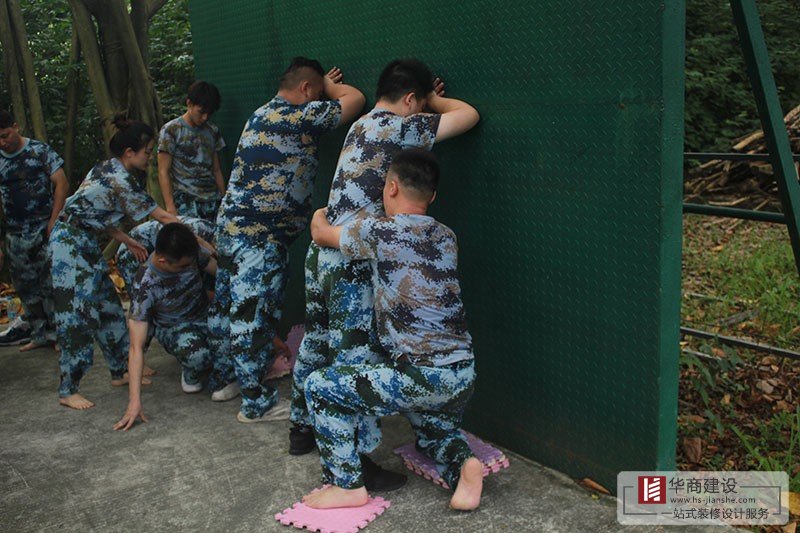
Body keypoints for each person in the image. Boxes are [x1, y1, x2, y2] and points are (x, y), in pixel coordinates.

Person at [289, 59, 479, 487]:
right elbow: (468, 115)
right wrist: (436, 101)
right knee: (357, 357)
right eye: (420, 104)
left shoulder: (359, 125)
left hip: (322, 256)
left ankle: (301, 429)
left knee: (316, 342)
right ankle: (357, 461)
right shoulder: (401, 128)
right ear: (410, 99)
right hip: (352, 260)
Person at [303, 149, 482, 510]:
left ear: (392, 188)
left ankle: (347, 485)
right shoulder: (447, 236)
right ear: (432, 196)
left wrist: (323, 211)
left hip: (420, 374)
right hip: (462, 374)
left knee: (320, 387)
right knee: (433, 429)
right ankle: (464, 465)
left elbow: (321, 234)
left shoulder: (379, 231)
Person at [208, 57, 365, 424]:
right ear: (307, 89)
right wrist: (331, 87)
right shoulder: (299, 116)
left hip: (232, 228)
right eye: (317, 92)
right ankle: (255, 404)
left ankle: (226, 380)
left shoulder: (262, 114)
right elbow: (355, 100)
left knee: (227, 307)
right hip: (259, 238)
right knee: (253, 316)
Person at [51, 116, 202, 410]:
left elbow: (92, 214)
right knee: (77, 316)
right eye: (147, 151)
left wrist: (126, 240)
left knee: (108, 306)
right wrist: (198, 238)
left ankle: (120, 370)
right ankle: (68, 389)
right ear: (129, 153)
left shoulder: (107, 168)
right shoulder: (121, 180)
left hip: (84, 241)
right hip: (69, 246)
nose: (150, 157)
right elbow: (163, 217)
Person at [114, 223, 219, 431]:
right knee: (199, 356)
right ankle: (191, 370)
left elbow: (221, 273)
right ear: (162, 261)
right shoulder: (145, 285)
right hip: (176, 327)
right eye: (182, 267)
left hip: (205, 314)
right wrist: (134, 403)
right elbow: (136, 347)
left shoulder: (188, 253)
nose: (188, 268)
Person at [0, 109, 69, 351]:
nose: (3, 142)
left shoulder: (39, 151)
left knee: (50, 282)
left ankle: (58, 334)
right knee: (25, 285)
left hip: (43, 226)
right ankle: (39, 334)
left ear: (16, 126)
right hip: (15, 232)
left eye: (5, 135)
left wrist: (54, 220)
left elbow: (61, 183)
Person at [157, 81, 226, 220]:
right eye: (201, 112)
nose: (204, 117)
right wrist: (170, 207)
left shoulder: (212, 130)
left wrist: (224, 199)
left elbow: (216, 169)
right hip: (186, 201)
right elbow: (163, 171)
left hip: (212, 200)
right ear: (189, 103)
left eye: (209, 113)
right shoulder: (171, 130)